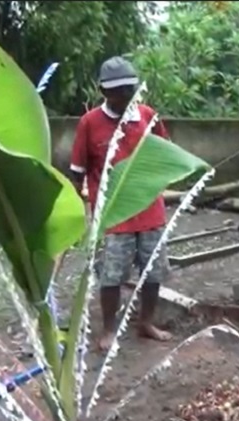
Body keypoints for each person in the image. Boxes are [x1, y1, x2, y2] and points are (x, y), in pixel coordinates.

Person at [69, 56, 172, 351]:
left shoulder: (147, 116)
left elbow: (164, 153)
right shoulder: (90, 123)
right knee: (111, 275)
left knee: (153, 271)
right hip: (113, 215)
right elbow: (77, 171)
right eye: (118, 91)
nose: (126, 96)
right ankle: (108, 329)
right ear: (104, 91)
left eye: (130, 90)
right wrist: (76, 211)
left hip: (149, 210)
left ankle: (146, 322)